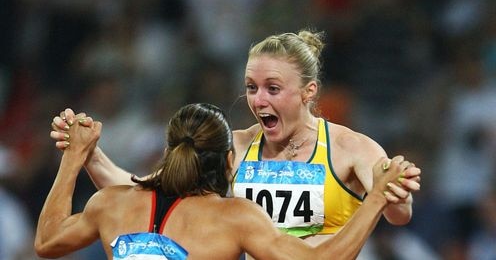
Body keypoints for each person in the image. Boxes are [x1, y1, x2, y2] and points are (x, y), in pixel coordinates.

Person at [50, 29, 420, 247]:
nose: (258, 100)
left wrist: (395, 195)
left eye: (273, 88)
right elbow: (143, 194)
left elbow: (399, 215)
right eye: (251, 87)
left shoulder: (351, 148)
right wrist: (90, 155)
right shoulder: (236, 147)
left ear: (309, 92)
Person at [37, 103, 420, 259]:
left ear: (169, 150)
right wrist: (374, 201)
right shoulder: (236, 217)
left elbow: (47, 242)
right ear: (229, 160)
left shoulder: (112, 203)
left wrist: (75, 158)